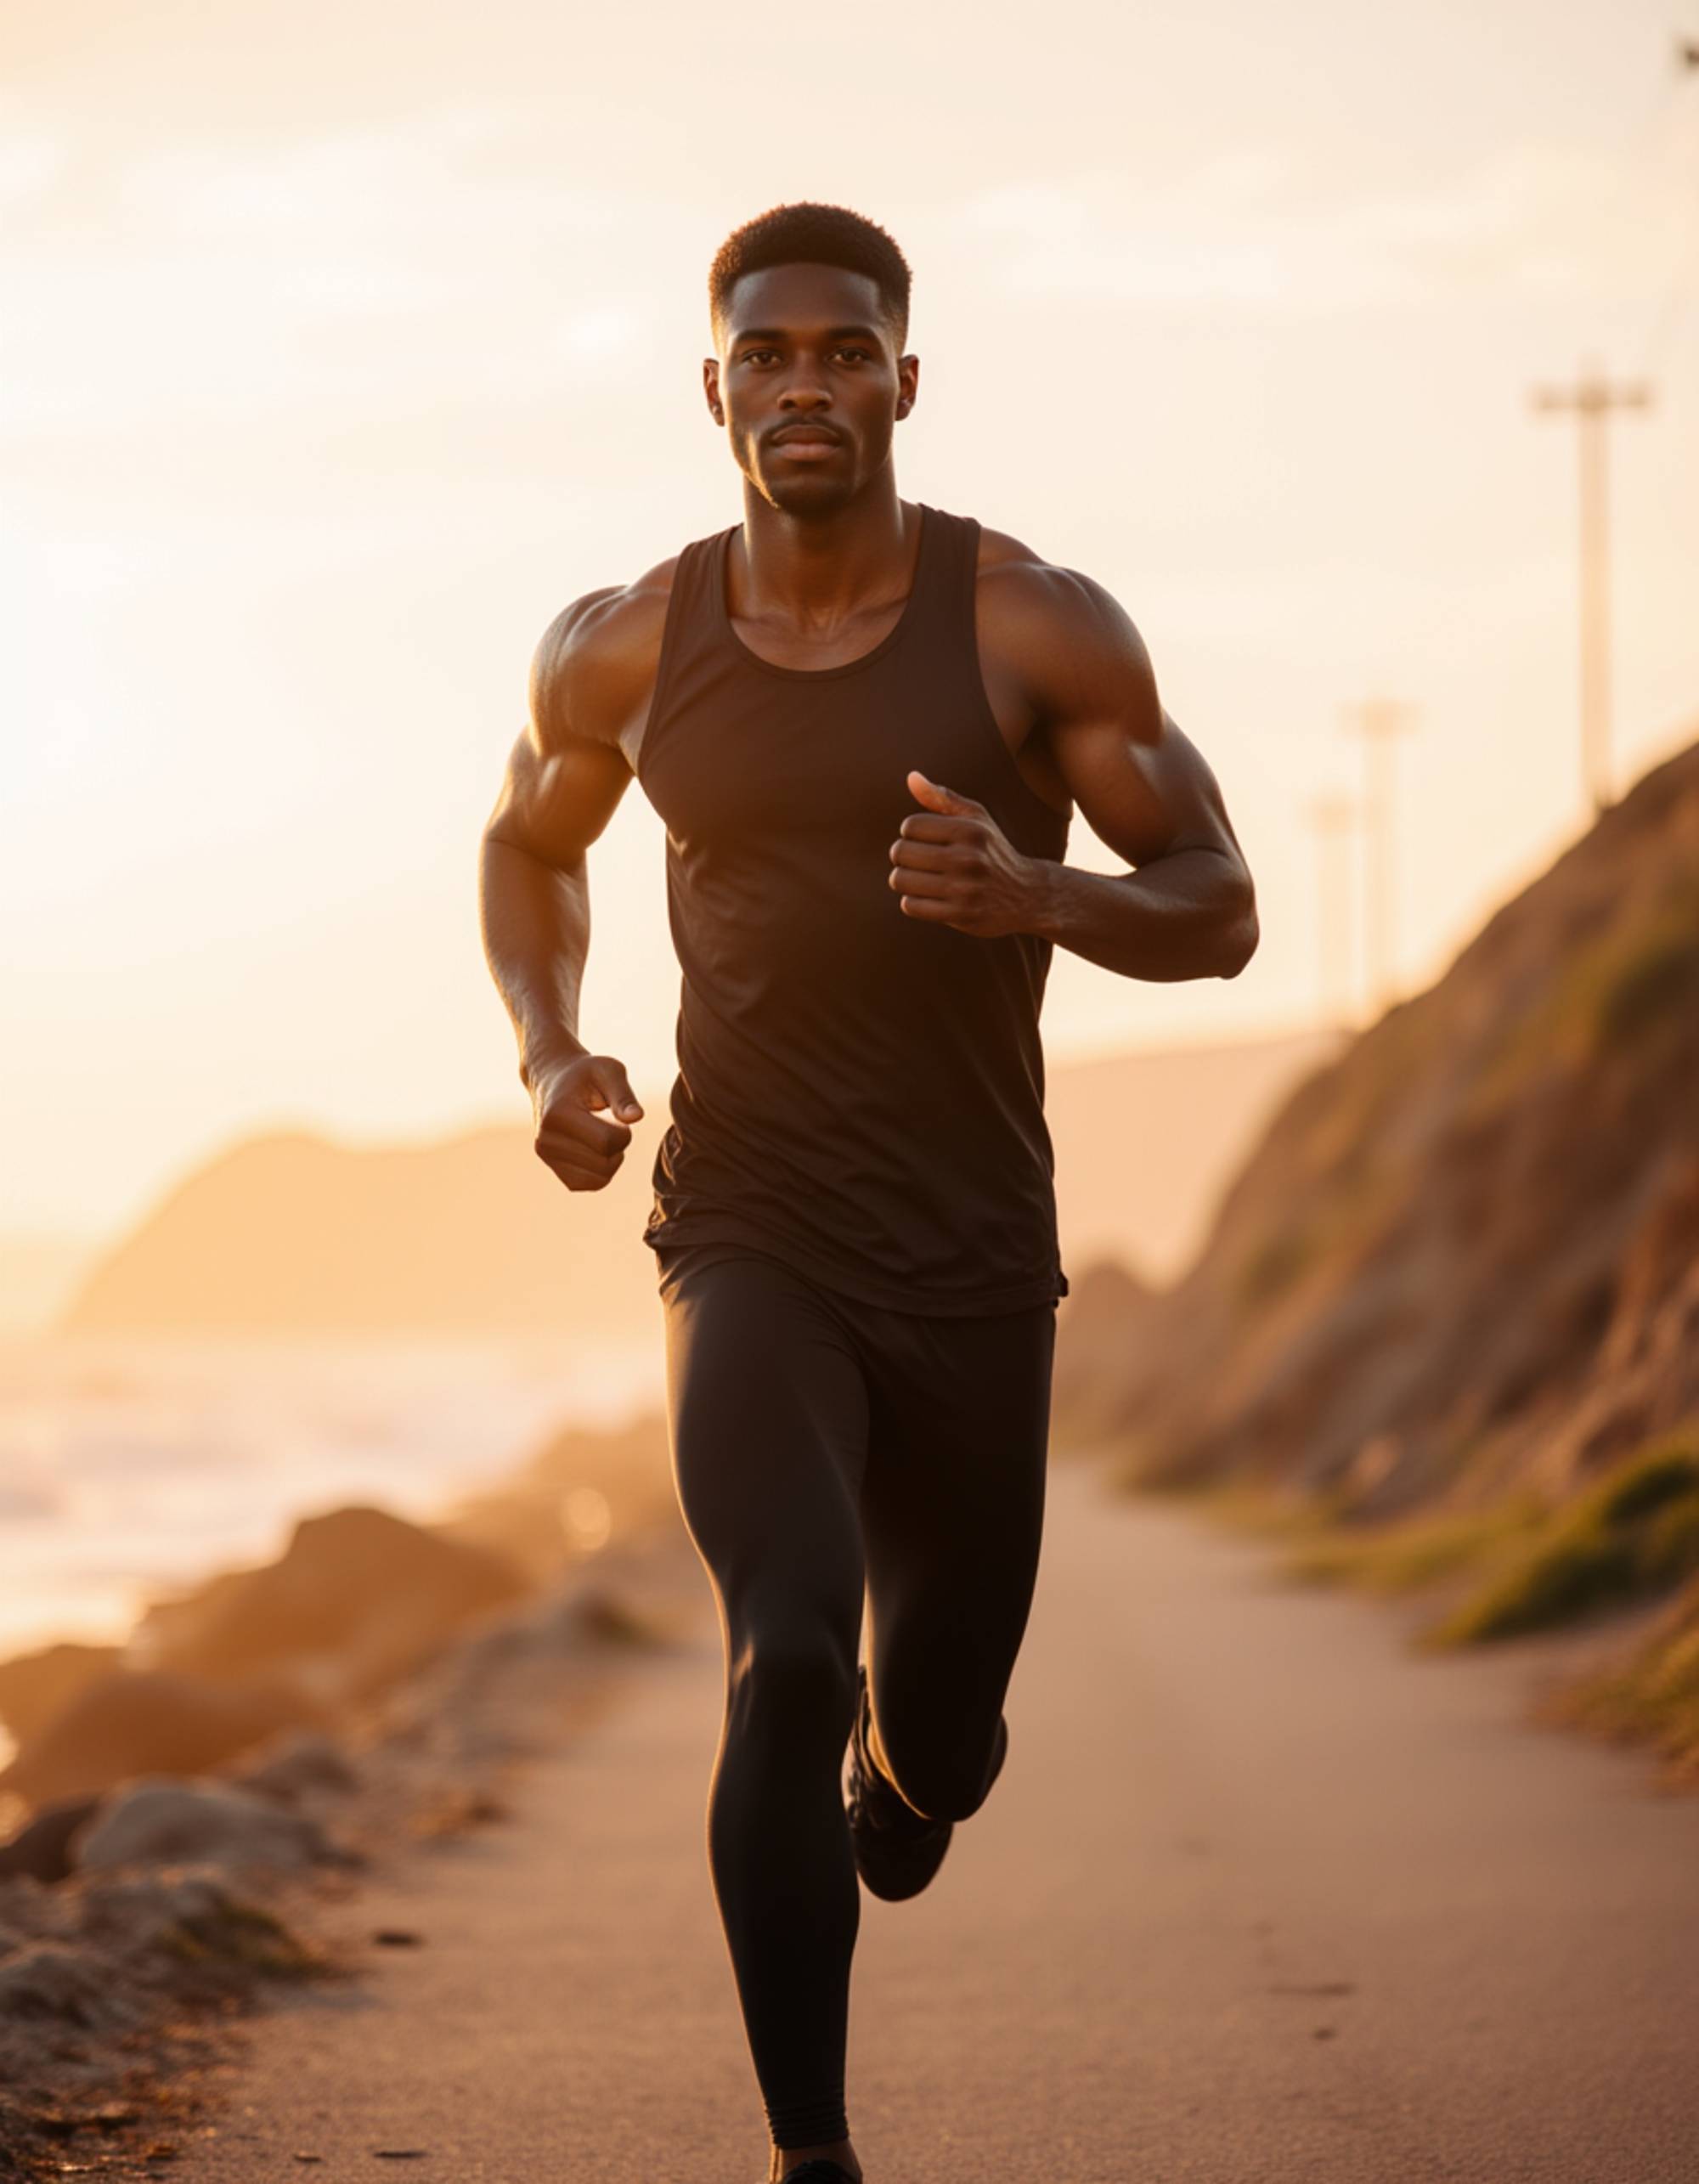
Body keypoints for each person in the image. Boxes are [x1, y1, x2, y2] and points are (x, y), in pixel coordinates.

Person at [477, 200, 1258, 2184]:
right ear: (713, 387)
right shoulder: (625, 642)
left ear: (904, 381)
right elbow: (526, 846)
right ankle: (810, 2152)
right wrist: (554, 1052)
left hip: (978, 1251)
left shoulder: (1033, 623)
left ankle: (902, 1789)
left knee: (938, 1739)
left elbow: (1222, 905)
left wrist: (1041, 893)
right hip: (744, 1220)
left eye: (845, 353)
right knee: (788, 1640)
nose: (805, 383)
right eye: (770, 353)